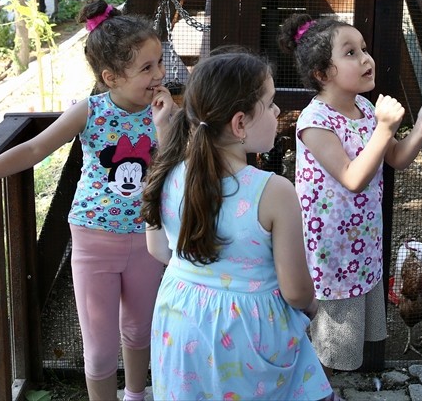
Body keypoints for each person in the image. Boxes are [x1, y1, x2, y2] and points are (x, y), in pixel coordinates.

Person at [0, 2, 173, 401]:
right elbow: (33, 150)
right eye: (147, 68)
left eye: (159, 63)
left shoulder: (167, 112)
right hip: (94, 240)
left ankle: (137, 394)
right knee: (101, 347)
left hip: (149, 238)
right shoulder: (90, 111)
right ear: (111, 78)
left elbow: (183, 164)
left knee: (140, 330)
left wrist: (168, 126)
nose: (160, 75)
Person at [143, 49, 334, 400]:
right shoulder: (273, 191)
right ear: (240, 123)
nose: (278, 112)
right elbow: (296, 291)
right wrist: (311, 306)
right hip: (249, 333)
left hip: (180, 324)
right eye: (271, 102)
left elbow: (158, 249)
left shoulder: (168, 172)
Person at [277, 14, 422, 371]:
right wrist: (385, 128)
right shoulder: (315, 121)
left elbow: (395, 158)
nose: (366, 59)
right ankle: (311, 388)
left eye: (364, 49)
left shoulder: (365, 109)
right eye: (351, 53)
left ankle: (320, 388)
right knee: (324, 339)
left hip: (363, 243)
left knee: (344, 335)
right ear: (323, 74)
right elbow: (352, 177)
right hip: (331, 251)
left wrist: (421, 130)